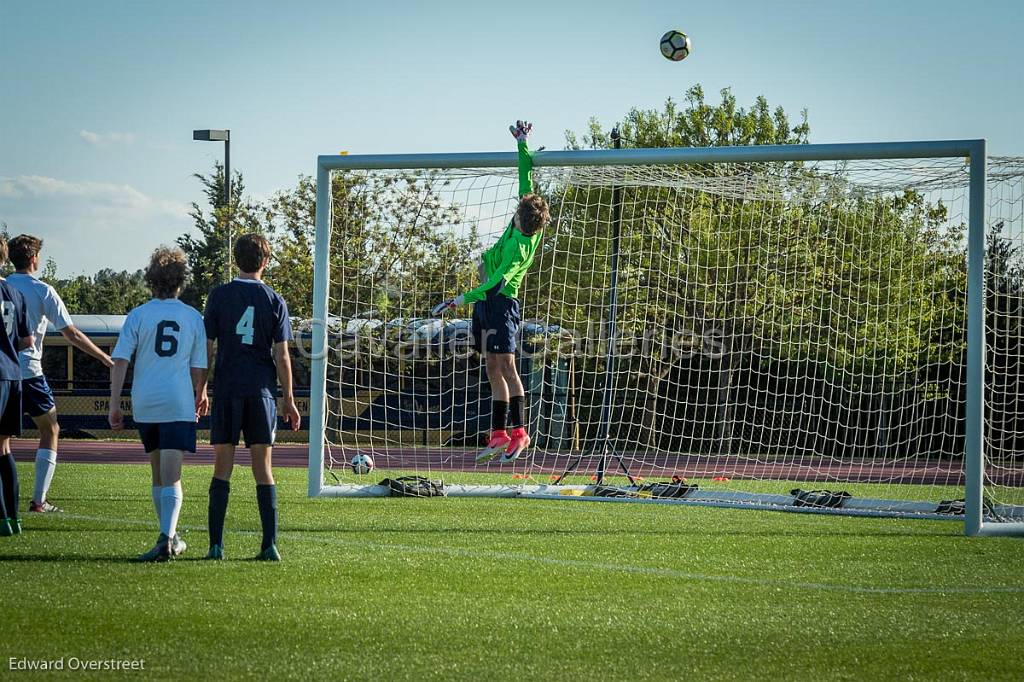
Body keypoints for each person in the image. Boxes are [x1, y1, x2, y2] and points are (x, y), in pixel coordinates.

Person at [432, 121, 550, 463]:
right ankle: (499, 433)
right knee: (491, 368)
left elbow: (495, 284)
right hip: (487, 306)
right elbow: (526, 179)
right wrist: (523, 143)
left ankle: (520, 432)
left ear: (518, 219)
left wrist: (460, 298)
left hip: (499, 304)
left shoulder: (520, 248)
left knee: (508, 367)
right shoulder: (526, 220)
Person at [200, 233, 300, 562]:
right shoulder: (274, 300)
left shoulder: (218, 296)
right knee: (264, 469)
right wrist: (289, 399)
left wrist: (200, 389)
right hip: (261, 392)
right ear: (266, 262)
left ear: (235, 259)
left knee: (221, 468)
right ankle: (269, 545)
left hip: (228, 389)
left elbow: (207, 348)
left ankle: (216, 546)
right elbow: (282, 356)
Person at [109, 247, 207, 562]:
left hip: (145, 400)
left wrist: (114, 402)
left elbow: (120, 360)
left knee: (158, 475)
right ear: (181, 282)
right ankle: (166, 539)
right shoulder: (192, 316)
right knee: (172, 476)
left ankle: (170, 535)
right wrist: (201, 391)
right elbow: (199, 365)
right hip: (177, 401)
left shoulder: (138, 314)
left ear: (152, 280)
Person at [5, 234, 114, 514]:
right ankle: (39, 501)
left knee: (2, 440)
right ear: (33, 259)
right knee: (50, 429)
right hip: (28, 371)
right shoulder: (43, 291)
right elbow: (72, 333)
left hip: (3, 371)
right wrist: (104, 357)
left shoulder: (4, 287)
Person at [0, 239, 33, 537]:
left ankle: (1, 519)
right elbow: (27, 341)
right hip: (13, 374)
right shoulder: (15, 292)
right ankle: (14, 517)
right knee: (4, 447)